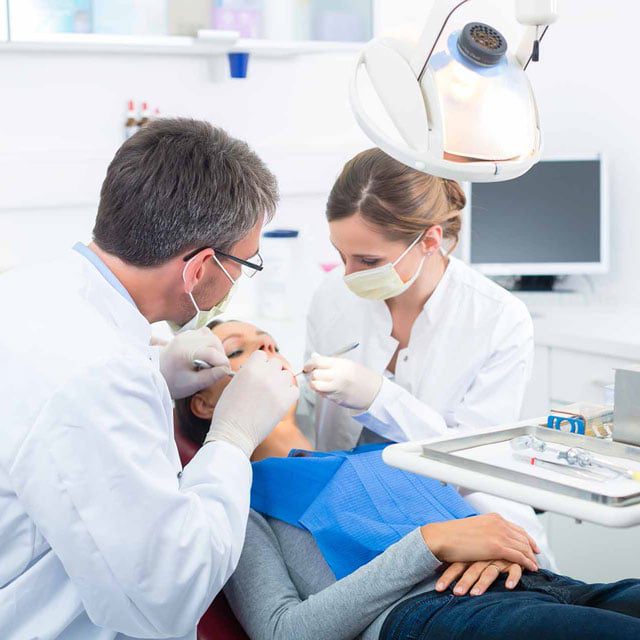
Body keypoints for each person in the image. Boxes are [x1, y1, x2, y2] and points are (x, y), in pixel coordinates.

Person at [0, 119, 298, 640]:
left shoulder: (34, 293)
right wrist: (232, 439)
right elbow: (168, 595)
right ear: (201, 266)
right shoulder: (99, 374)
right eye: (243, 264)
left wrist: (157, 377)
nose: (239, 278)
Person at [175, 321, 640, 640]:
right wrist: (430, 543)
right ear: (205, 404)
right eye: (238, 350)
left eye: (271, 342)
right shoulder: (236, 498)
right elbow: (283, 630)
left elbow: (476, 518)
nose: (267, 352)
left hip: (536, 585)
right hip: (435, 614)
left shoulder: (373, 456)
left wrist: (500, 547)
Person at [300, 147, 553, 560]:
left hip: (468, 522)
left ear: (430, 241)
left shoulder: (499, 319)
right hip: (351, 514)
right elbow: (310, 428)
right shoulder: (331, 299)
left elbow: (472, 463)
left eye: (368, 260)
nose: (348, 275)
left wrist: (381, 399)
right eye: (340, 255)